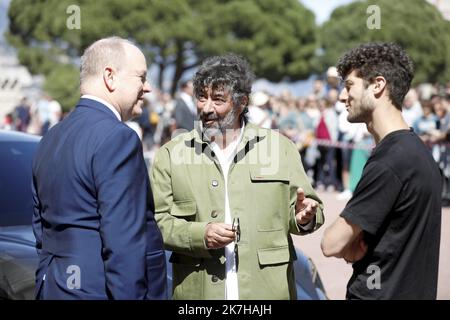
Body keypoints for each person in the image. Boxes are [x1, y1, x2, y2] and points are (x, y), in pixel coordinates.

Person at [151, 54, 324, 300]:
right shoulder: (171, 154)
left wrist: (304, 217)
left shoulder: (279, 148)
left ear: (242, 102)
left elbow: (310, 211)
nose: (207, 108)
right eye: (202, 97)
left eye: (218, 99)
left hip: (267, 293)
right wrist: (200, 235)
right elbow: (156, 222)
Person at [31, 37, 167, 300]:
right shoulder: (119, 138)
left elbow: (41, 230)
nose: (147, 87)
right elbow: (124, 243)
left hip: (53, 287)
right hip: (99, 290)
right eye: (141, 77)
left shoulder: (51, 137)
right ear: (110, 77)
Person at [321, 42, 442, 299]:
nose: (343, 96)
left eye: (349, 85)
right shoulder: (417, 153)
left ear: (378, 85)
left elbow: (331, 244)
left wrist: (347, 242)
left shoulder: (390, 161)